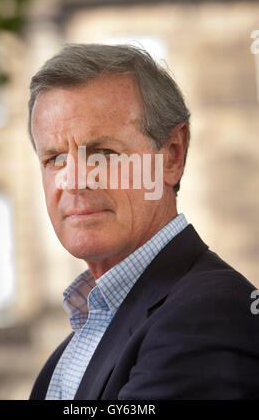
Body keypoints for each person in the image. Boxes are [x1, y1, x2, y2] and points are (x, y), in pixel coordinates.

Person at [28, 43, 259, 400]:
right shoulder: (79, 342)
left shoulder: (209, 312)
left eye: (103, 153)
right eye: (54, 158)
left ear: (171, 156)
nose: (72, 181)